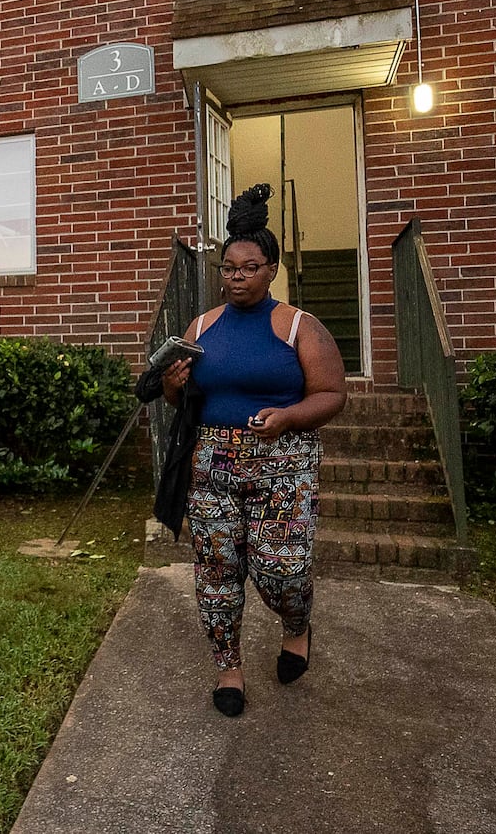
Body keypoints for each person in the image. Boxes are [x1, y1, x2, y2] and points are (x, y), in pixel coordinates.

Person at [162, 183, 347, 717]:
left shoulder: (298, 326)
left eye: (247, 267)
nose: (235, 277)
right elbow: (185, 399)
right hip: (212, 464)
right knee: (217, 572)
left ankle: (296, 625)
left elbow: (333, 394)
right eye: (227, 268)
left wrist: (289, 416)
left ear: (271, 269)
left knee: (281, 568)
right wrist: (174, 384)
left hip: (283, 462)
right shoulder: (202, 327)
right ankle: (229, 669)